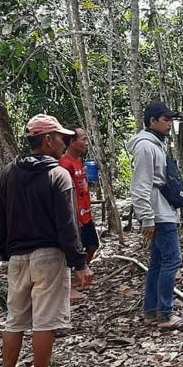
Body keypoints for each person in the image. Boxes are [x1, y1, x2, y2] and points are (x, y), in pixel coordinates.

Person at [0, 114, 93, 367]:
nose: (65, 143)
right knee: (44, 321)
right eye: (61, 138)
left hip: (17, 258)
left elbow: (1, 217)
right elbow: (67, 224)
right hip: (48, 256)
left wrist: (3, 251)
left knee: (15, 320)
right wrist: (79, 262)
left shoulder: (9, 172)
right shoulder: (58, 174)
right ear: (48, 140)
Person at [127, 101, 183, 331]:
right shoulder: (146, 147)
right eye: (165, 120)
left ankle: (152, 311)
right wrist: (147, 218)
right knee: (172, 260)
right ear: (152, 121)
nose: (169, 124)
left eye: (170, 120)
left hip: (164, 210)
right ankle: (166, 314)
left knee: (157, 263)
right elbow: (140, 186)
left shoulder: (156, 145)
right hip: (159, 214)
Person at [59, 128, 99, 301]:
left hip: (85, 213)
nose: (86, 143)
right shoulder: (64, 164)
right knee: (73, 250)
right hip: (74, 216)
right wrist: (74, 217)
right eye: (83, 139)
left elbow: (83, 190)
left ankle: (81, 274)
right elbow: (67, 195)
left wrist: (89, 210)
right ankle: (69, 285)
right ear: (72, 142)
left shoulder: (79, 161)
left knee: (92, 245)